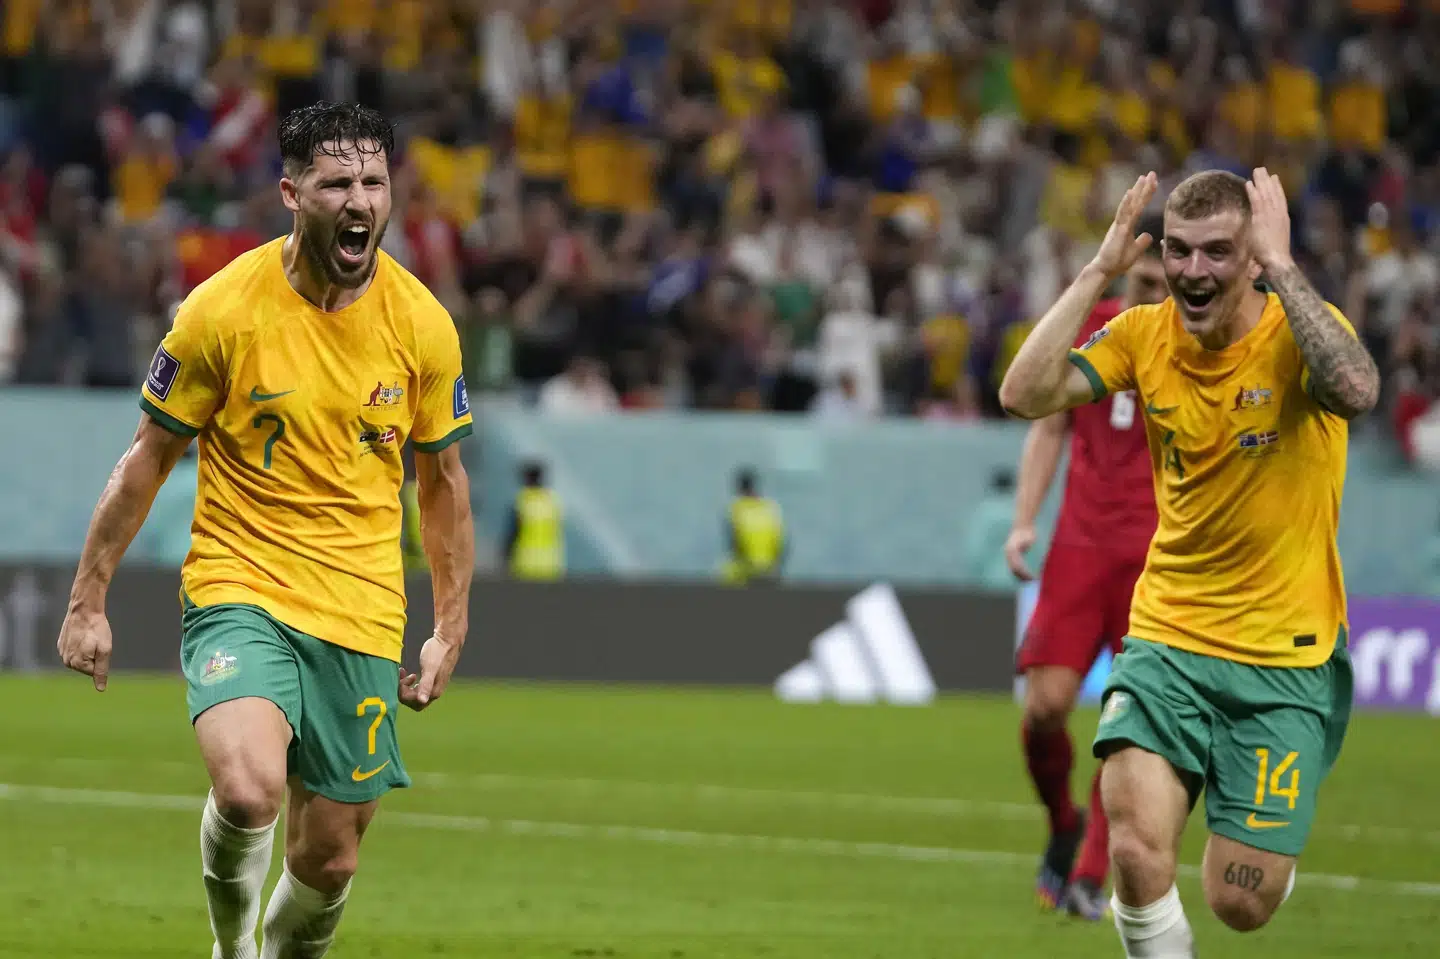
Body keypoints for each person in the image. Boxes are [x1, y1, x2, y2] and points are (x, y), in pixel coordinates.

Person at [56, 102, 477, 959]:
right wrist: (87, 599)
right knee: (249, 791)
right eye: (336, 183)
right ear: (291, 191)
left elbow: (442, 484)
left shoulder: (422, 326)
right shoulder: (221, 312)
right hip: (240, 583)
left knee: (331, 857)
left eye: (373, 182)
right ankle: (231, 948)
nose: (359, 200)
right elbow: (146, 459)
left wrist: (449, 626)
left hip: (361, 606)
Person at [999, 167, 1378, 958]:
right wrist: (1099, 269)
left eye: (1217, 252)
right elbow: (1024, 394)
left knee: (1240, 901)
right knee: (1136, 852)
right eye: (1179, 251)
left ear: (1249, 257)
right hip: (1169, 635)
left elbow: (1356, 387)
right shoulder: (1143, 335)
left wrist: (1283, 267)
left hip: (1284, 657)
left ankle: (1264, 844)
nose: (1194, 271)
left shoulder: (1299, 334)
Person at [1005, 213, 1169, 921]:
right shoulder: (1099, 324)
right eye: (1145, 278)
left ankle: (1091, 872)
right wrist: (1023, 520)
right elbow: (1047, 424)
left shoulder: (1204, 345)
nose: (1155, 291)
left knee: (1126, 719)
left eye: (1165, 282)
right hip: (1078, 544)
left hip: (1157, 556)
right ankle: (1064, 819)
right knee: (1044, 707)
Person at [721, 468, 787, 584]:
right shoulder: (771, 508)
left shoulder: (736, 509)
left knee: (724, 572)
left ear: (739, 489)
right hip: (770, 570)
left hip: (748, 570)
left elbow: (734, 545)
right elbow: (782, 545)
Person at [504, 460, 565, 580]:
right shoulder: (552, 502)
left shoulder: (522, 501)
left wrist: (505, 557)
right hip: (550, 564)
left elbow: (513, 533)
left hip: (525, 564)